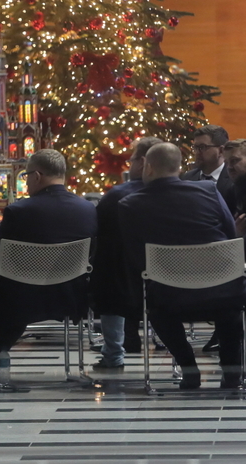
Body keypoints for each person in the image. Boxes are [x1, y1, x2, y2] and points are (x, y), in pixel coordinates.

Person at [118, 143, 246, 389]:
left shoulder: (130, 205)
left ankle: (188, 367)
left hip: (170, 295)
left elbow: (136, 258)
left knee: (156, 309)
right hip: (222, 290)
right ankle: (232, 371)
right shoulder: (209, 190)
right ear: (179, 167)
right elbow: (231, 234)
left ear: (148, 166)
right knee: (230, 310)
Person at [0, 150, 98, 373]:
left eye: (25, 176)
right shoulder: (87, 209)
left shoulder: (19, 210)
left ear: (37, 176)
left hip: (21, 297)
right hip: (70, 295)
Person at [89, 137, 162, 369]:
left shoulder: (117, 196)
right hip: (171, 278)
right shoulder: (187, 193)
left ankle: (113, 352)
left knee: (106, 263)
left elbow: (96, 231)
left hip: (120, 281)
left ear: (142, 162)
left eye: (130, 160)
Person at [182, 124, 235, 214]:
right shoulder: (187, 178)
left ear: (221, 151)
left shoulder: (233, 179)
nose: (197, 153)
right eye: (195, 147)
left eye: (203, 147)